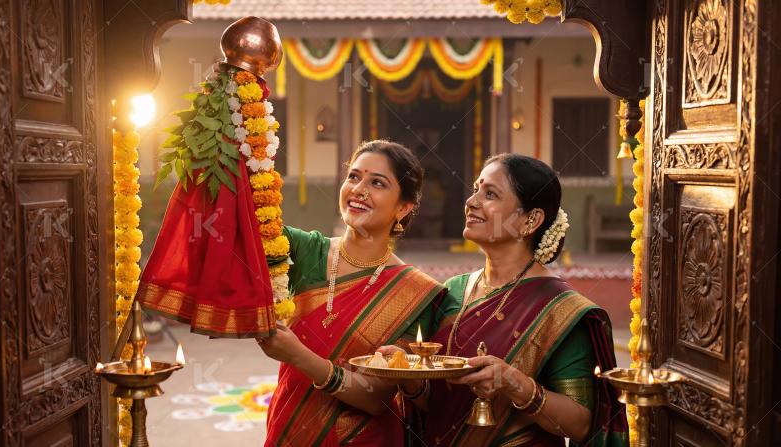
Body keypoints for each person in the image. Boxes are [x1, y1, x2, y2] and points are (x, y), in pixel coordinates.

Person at [381, 154, 627, 446]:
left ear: (531, 220)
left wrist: (517, 385)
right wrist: (408, 378)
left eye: (490, 194)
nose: (471, 202)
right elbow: (439, 405)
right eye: (476, 189)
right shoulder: (453, 291)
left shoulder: (560, 308)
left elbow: (581, 425)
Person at [258, 140, 446, 447]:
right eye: (354, 177)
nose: (359, 190)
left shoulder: (414, 291)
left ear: (403, 207)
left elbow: (376, 397)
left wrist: (297, 356)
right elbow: (237, 229)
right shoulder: (304, 249)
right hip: (288, 428)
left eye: (377, 183)